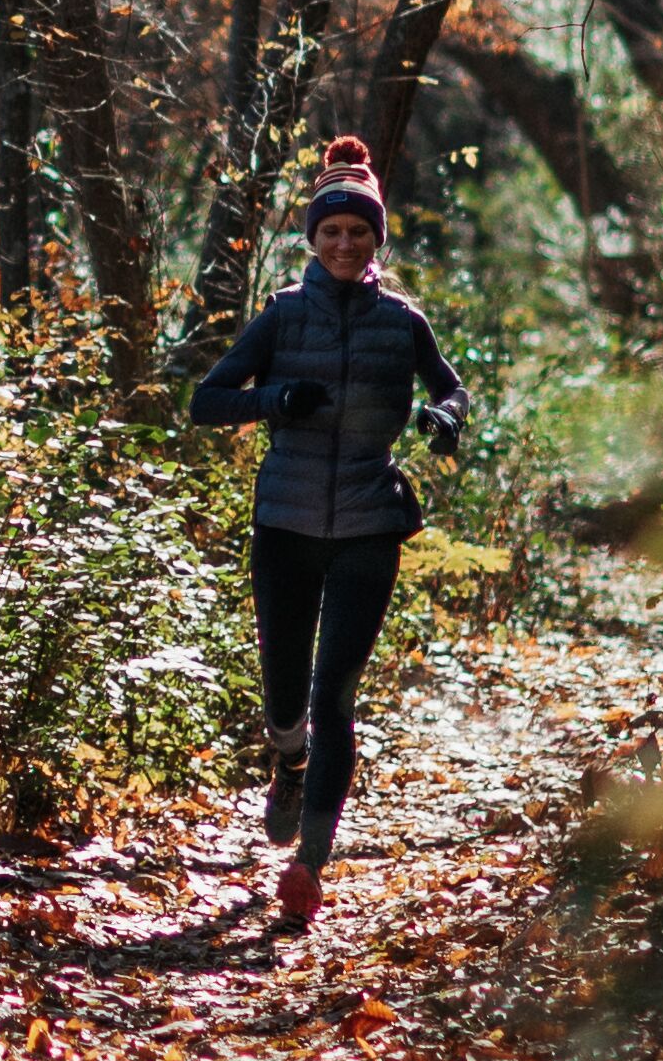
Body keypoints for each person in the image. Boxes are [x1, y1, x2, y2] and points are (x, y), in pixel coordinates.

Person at [184, 136, 472, 930]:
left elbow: (452, 388)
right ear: (312, 239)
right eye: (331, 232)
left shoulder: (401, 322)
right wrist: (275, 400)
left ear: (378, 240)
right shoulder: (280, 315)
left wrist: (444, 418)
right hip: (285, 523)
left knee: (334, 695)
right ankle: (286, 758)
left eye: (360, 233)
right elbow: (206, 401)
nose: (345, 244)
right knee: (286, 697)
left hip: (370, 523)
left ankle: (309, 863)